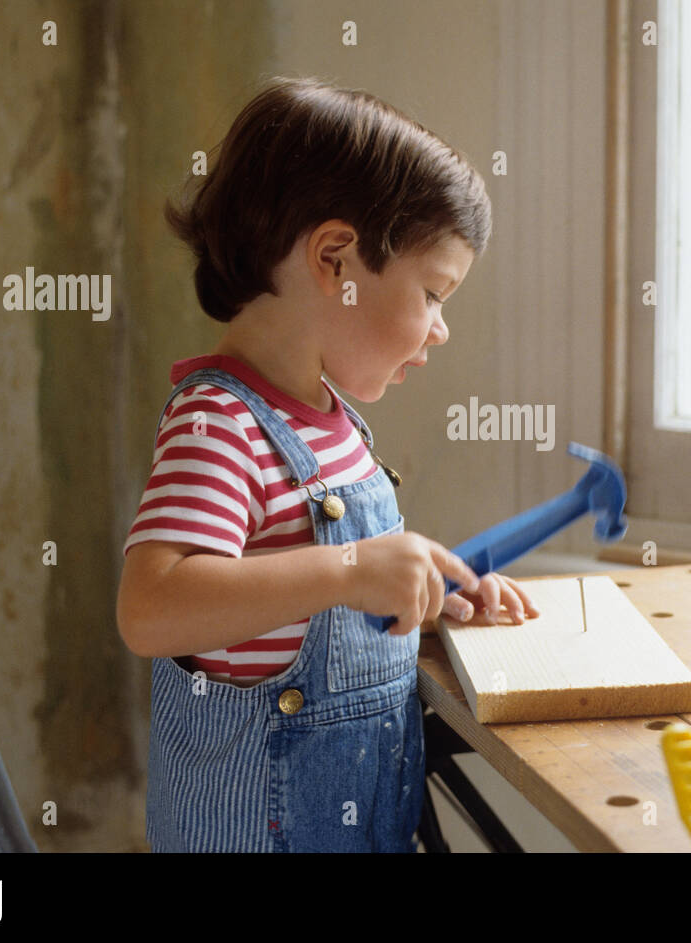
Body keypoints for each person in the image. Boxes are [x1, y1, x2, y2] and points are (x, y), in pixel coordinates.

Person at [115, 75, 538, 852]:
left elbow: (319, 590)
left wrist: (425, 592)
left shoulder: (338, 425)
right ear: (336, 258)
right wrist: (349, 568)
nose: (440, 329)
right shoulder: (219, 424)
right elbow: (151, 607)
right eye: (434, 293)